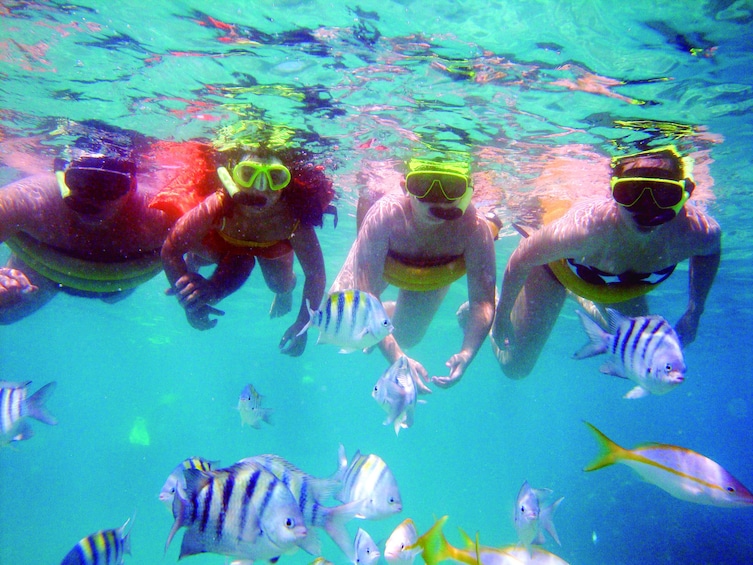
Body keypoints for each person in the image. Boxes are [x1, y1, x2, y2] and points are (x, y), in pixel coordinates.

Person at [491, 145, 722, 379]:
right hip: (555, 271)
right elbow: (522, 257)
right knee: (515, 366)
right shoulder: (585, 230)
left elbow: (710, 252)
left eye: (663, 194)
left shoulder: (697, 233)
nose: (646, 209)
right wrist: (501, 315)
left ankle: (580, 294)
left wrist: (695, 311)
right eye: (631, 192)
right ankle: (492, 300)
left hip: (617, 289)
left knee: (642, 358)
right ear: (612, 189)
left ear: (685, 192)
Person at [331, 158, 498, 389]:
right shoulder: (385, 216)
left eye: (450, 188)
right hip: (384, 260)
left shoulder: (475, 228)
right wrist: (397, 357)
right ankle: (381, 316)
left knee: (408, 337)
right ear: (405, 188)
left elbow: (483, 301)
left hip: (434, 273)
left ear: (467, 192)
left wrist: (468, 352)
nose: (436, 199)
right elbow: (366, 294)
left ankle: (386, 312)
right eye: (423, 185)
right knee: (344, 320)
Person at [160, 143, 334, 357]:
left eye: (275, 178)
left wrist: (302, 325)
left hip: (271, 245)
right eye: (248, 174)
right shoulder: (219, 203)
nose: (259, 188)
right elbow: (171, 248)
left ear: (285, 184)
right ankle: (194, 264)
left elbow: (315, 275)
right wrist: (189, 301)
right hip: (223, 242)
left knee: (279, 284)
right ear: (232, 177)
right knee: (199, 253)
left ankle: (286, 289)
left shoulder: (291, 219)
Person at [0, 135, 174, 324]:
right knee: (4, 312)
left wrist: (206, 284)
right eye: (80, 180)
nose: (92, 197)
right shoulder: (32, 198)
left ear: (132, 187)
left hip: (116, 286)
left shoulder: (160, 213)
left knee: (113, 297)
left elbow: (202, 246)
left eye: (109, 185)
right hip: (39, 275)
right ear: (64, 177)